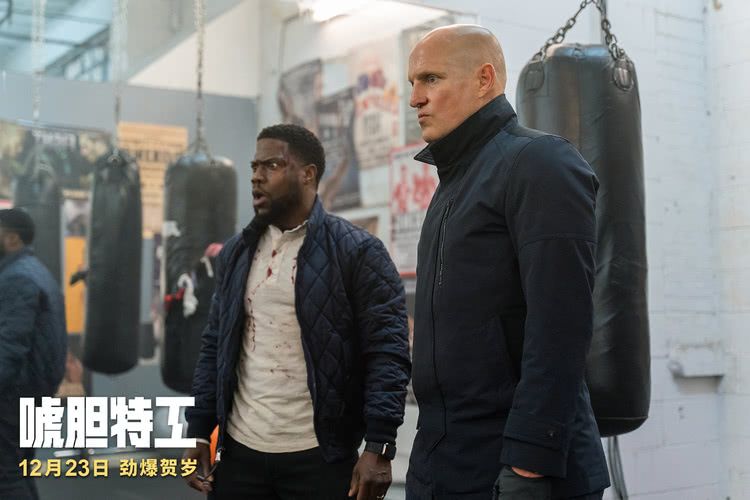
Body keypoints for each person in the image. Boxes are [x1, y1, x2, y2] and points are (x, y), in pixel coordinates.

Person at [406, 25, 610, 499]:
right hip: (446, 457)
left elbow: (561, 325)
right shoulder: (453, 185)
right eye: (413, 82)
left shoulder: (539, 163)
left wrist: (529, 462)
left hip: (517, 464)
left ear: (484, 79)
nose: (415, 98)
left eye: (431, 79)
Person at [182, 124, 411, 500]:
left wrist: (380, 444)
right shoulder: (237, 252)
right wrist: (198, 432)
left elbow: (388, 353)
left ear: (308, 174)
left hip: (319, 457)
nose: (256, 176)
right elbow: (214, 347)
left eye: (271, 165)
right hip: (240, 453)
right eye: (254, 166)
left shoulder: (358, 252)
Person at [0, 208, 67, 500]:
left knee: (6, 477)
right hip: (30, 395)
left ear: (12, 239)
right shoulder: (34, 270)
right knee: (19, 471)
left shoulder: (17, 278)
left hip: (12, 397)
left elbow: (9, 346)